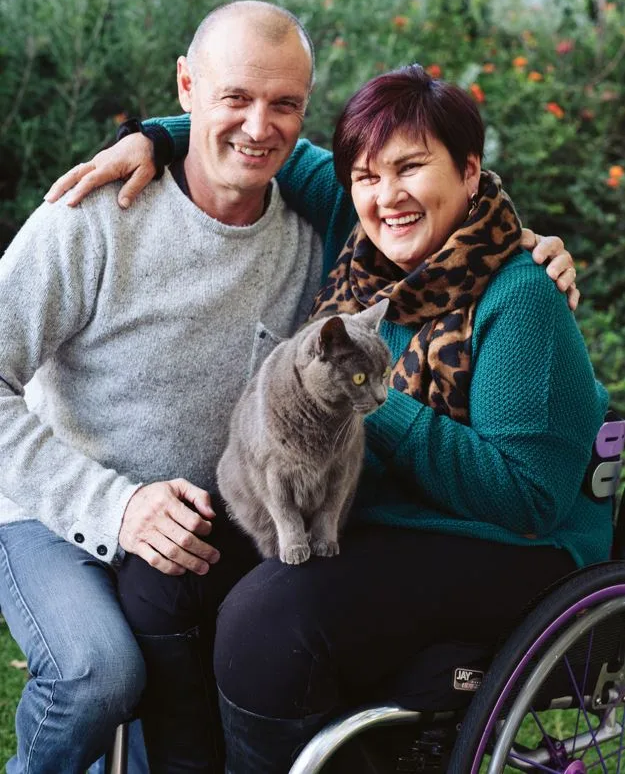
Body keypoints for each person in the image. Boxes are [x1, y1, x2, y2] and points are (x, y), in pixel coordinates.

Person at [51, 56, 600, 774]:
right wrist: (152, 137)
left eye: (411, 168)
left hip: (508, 547)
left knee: (267, 625)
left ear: (468, 173)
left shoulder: (517, 297)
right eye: (368, 176)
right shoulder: (361, 236)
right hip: (368, 512)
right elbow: (256, 138)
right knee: (168, 574)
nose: (387, 195)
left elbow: (523, 498)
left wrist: (373, 406)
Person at [0, 1, 326, 773]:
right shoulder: (91, 220)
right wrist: (116, 506)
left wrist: (527, 247)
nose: (258, 126)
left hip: (197, 542)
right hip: (47, 509)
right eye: (235, 98)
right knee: (98, 674)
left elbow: (434, 219)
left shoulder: (308, 245)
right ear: (185, 87)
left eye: (284, 105)